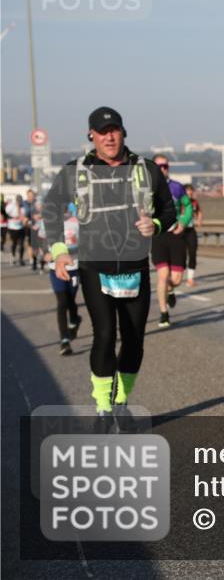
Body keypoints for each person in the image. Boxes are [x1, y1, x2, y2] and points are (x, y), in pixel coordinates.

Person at [43, 106, 176, 426]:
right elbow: (51, 208)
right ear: (91, 136)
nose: (109, 137)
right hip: (94, 266)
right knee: (104, 335)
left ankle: (121, 402)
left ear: (123, 132)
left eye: (114, 130)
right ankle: (102, 406)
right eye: (102, 132)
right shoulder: (76, 171)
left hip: (134, 266)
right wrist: (60, 252)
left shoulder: (146, 169)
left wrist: (155, 225)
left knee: (134, 339)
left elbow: (169, 211)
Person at [150, 154, 192, 328]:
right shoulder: (146, 190)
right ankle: (164, 313)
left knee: (175, 280)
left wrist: (183, 222)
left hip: (175, 235)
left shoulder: (177, 187)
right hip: (158, 235)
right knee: (163, 275)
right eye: (159, 167)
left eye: (165, 166)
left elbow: (188, 205)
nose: (163, 169)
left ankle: (171, 289)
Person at [48, 205, 82, 356]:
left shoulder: (75, 222)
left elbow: (86, 244)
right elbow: (43, 242)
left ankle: (75, 319)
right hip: (55, 269)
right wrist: (45, 254)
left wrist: (68, 251)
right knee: (62, 302)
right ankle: (64, 340)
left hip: (74, 267)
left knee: (70, 300)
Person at [183, 183, 203, 286]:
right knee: (181, 254)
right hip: (179, 231)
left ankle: (190, 278)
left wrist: (199, 219)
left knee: (193, 252)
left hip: (190, 230)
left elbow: (199, 211)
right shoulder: (180, 202)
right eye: (188, 191)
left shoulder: (194, 202)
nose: (190, 193)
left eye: (191, 191)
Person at [6, 193, 27, 265]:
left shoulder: (23, 207)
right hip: (12, 227)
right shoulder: (10, 206)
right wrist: (12, 217)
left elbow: (24, 216)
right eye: (18, 200)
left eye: (20, 201)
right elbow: (5, 215)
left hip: (21, 227)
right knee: (14, 243)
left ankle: (21, 259)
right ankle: (13, 256)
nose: (19, 202)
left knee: (22, 243)